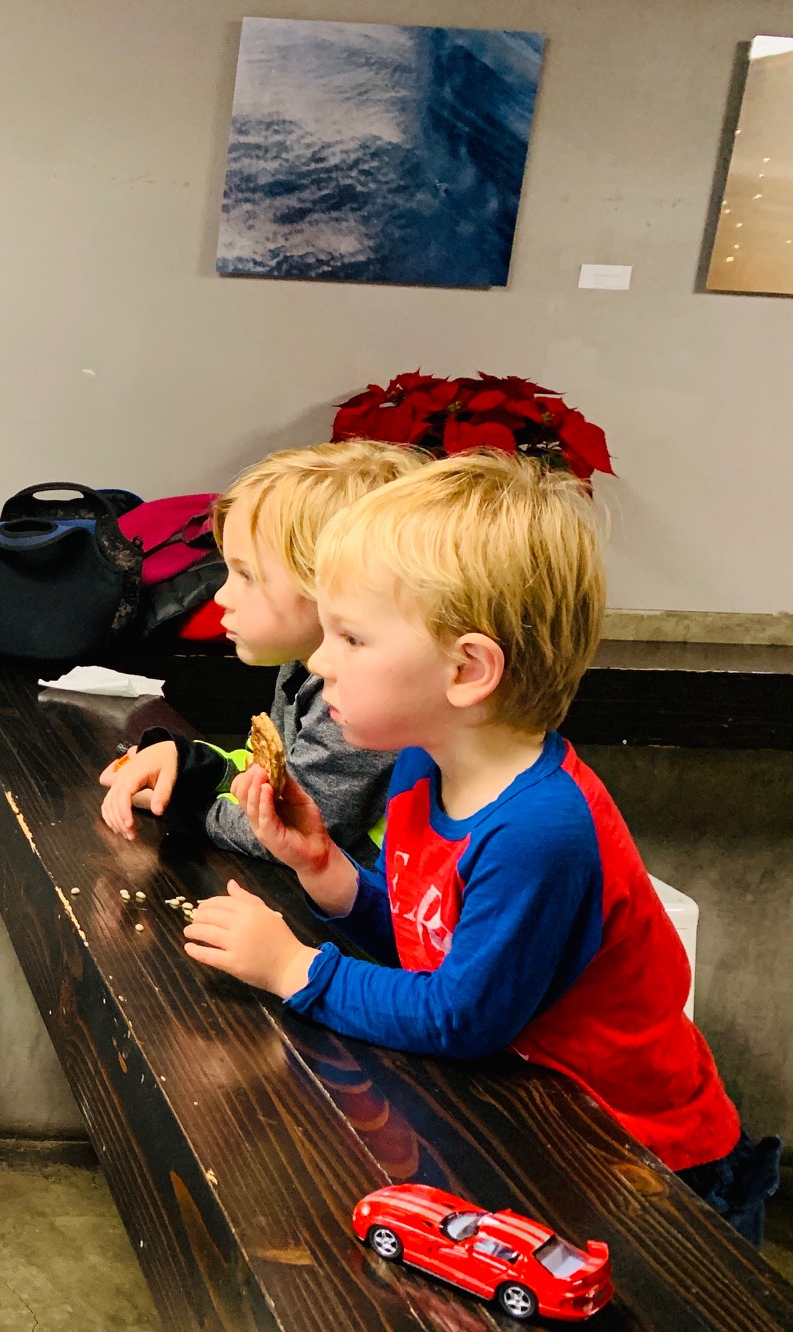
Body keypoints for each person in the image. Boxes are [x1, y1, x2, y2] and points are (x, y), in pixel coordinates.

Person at [181, 450, 779, 1243]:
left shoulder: (539, 830)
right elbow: (427, 941)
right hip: (533, 1122)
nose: (319, 662)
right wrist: (324, 868)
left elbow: (463, 1016)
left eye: (351, 638)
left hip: (647, 1167)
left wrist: (295, 968)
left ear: (468, 670)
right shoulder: (424, 769)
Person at [99, 441, 426, 864]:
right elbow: (273, 776)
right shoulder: (304, 665)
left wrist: (178, 806)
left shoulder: (358, 704)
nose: (221, 596)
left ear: (330, 584)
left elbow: (299, 831)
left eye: (248, 575)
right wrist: (188, 761)